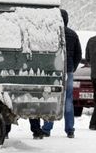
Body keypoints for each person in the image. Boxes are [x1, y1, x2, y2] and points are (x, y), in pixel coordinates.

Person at [31, 9, 82, 139]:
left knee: (52, 98)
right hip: (68, 71)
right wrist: (72, 68)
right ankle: (70, 129)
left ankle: (47, 128)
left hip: (54, 71)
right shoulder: (73, 34)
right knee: (68, 100)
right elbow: (78, 54)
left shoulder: (51, 34)